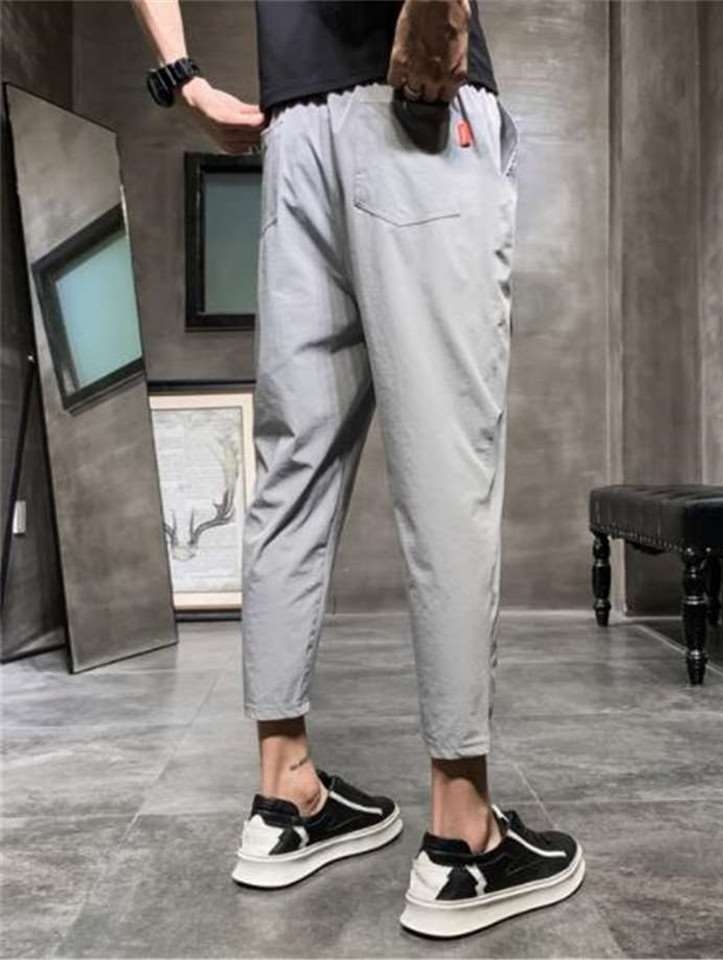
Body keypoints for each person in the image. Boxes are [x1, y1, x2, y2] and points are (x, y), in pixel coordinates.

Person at [131, 0, 585, 939]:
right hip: (408, 109)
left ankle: (285, 795)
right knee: (445, 472)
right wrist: (437, 26)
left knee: (291, 470)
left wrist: (183, 79)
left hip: (294, 134)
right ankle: (464, 840)